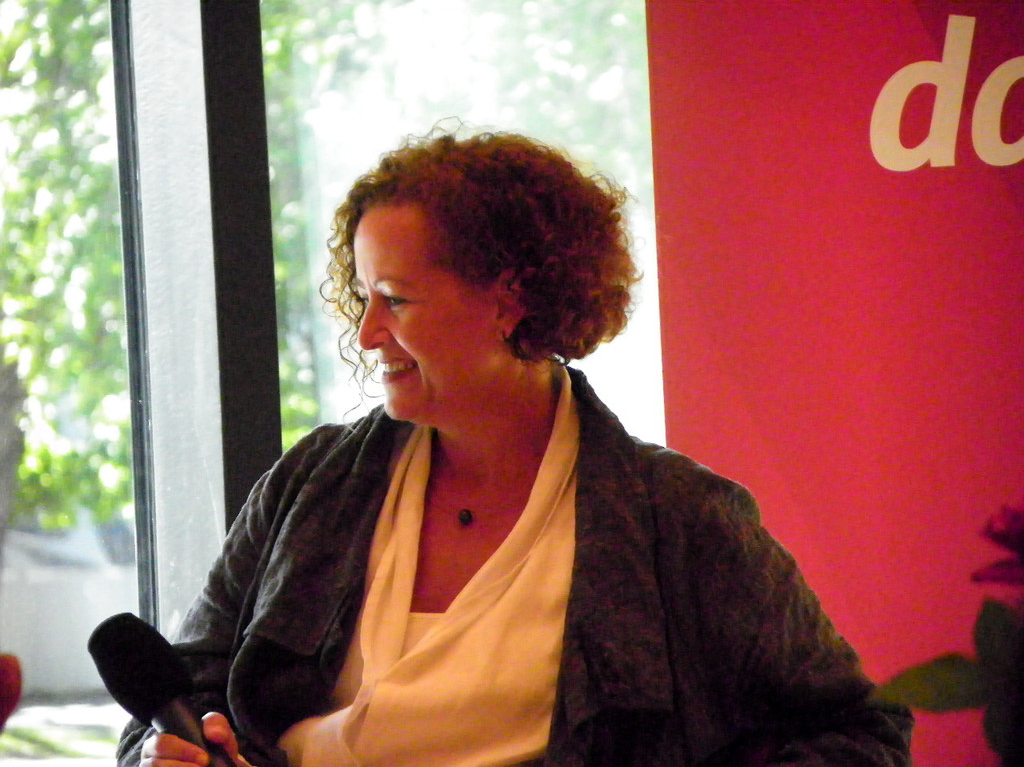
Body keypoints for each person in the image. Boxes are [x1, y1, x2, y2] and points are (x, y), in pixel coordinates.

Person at [120, 128, 913, 767]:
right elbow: (169, 704)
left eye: (396, 300)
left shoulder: (678, 516)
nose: (366, 334)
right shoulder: (309, 483)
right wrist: (167, 752)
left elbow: (860, 735)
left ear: (509, 300)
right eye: (362, 298)